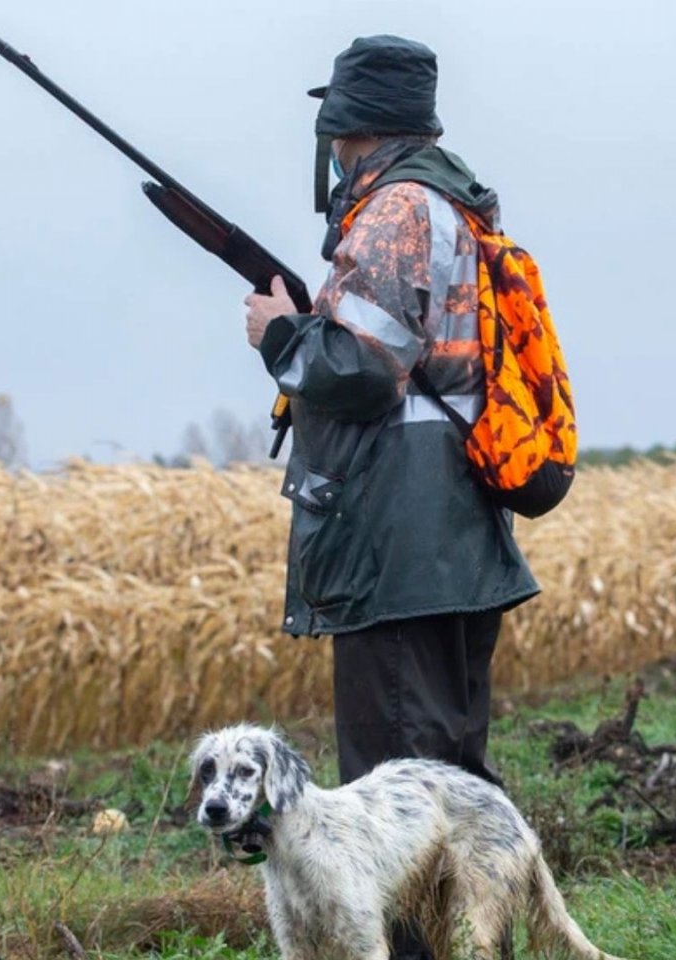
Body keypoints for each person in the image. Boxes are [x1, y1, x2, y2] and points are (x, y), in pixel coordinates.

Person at [241, 34, 537, 959]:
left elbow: (363, 371)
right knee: (449, 780)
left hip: (396, 539)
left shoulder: (392, 211)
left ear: (346, 124)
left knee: (396, 793)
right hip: (452, 530)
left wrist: (280, 332)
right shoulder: (450, 202)